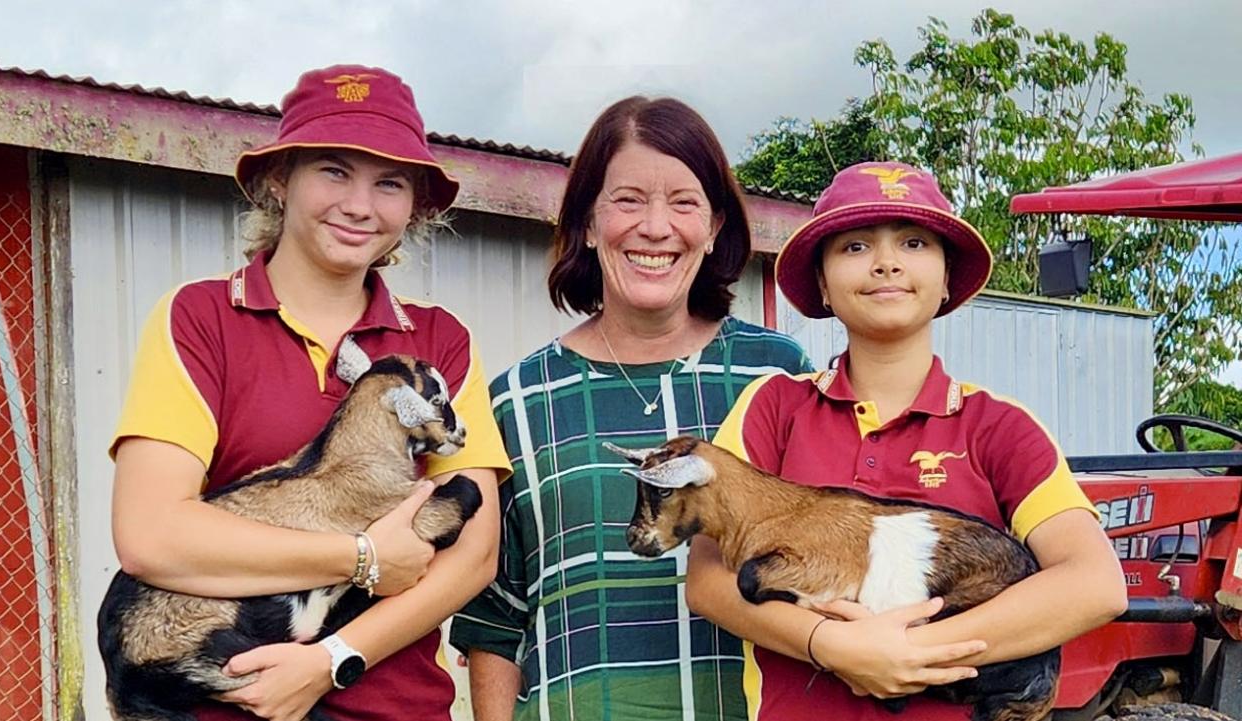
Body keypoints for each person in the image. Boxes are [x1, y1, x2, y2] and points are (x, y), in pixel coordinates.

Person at [109, 65, 511, 721]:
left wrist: (332, 659)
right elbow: (151, 533)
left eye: (389, 183)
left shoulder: (438, 338)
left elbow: (474, 553)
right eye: (332, 170)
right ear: (278, 178)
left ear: (414, 204)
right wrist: (364, 558)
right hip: (233, 702)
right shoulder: (199, 317)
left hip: (396, 706)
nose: (360, 204)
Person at [686, 161, 1128, 720]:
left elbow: (1095, 584)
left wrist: (908, 653)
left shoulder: (1000, 426)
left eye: (915, 242)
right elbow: (706, 580)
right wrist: (834, 645)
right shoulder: (773, 408)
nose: (886, 262)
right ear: (821, 281)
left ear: (947, 278)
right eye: (854, 247)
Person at [447, 96, 814, 721]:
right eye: (627, 200)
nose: (654, 226)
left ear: (716, 226)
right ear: (588, 223)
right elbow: (494, 620)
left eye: (683, 201)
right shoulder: (515, 400)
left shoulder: (779, 376)